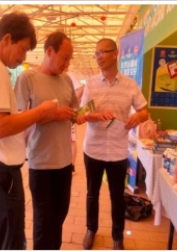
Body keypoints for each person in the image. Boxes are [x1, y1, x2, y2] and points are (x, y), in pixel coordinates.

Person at [0, 12, 58, 250]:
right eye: (23, 49)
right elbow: (1, 127)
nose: (24, 57)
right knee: (12, 242)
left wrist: (26, 116)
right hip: (0, 171)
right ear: (7, 39)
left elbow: (1, 122)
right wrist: (40, 112)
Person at [77, 38, 149, 251]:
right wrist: (96, 115)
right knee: (92, 193)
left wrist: (139, 117)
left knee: (117, 197)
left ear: (115, 53)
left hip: (118, 151)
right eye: (96, 53)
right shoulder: (91, 84)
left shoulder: (130, 85)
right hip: (93, 149)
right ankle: (91, 229)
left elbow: (145, 111)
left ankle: (118, 236)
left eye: (102, 52)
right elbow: (81, 115)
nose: (98, 57)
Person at [14, 31, 79, 250]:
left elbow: (74, 110)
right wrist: (51, 114)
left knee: (60, 214)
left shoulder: (66, 80)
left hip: (64, 162)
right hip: (41, 163)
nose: (67, 64)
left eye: (70, 59)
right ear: (49, 51)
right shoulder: (27, 79)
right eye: (64, 57)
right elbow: (18, 120)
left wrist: (83, 115)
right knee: (43, 220)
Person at [67, 70, 85, 174]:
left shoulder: (69, 75)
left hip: (69, 114)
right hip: (58, 115)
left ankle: (72, 166)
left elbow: (80, 89)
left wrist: (71, 103)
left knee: (71, 140)